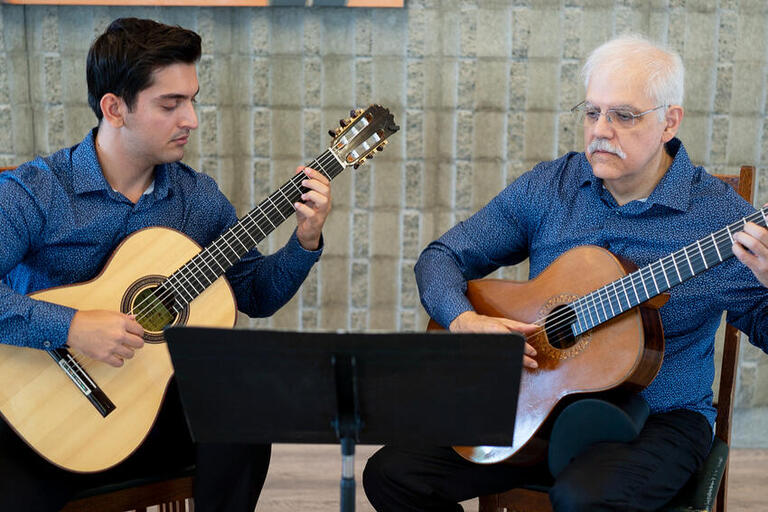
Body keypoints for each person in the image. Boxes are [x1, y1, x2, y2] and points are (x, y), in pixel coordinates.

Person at [363, 35, 768, 512]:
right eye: (592, 112)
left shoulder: (722, 222)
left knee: (582, 499)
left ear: (669, 121)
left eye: (624, 115)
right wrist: (465, 321)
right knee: (394, 474)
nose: (601, 130)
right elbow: (441, 257)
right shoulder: (551, 187)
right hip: (536, 401)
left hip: (656, 421)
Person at [0, 18, 332, 511]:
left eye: (192, 100)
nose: (191, 119)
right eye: (170, 104)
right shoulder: (35, 191)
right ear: (114, 108)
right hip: (40, 417)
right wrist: (71, 325)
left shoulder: (197, 198)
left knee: (247, 404)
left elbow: (255, 295)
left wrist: (305, 241)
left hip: (148, 411)